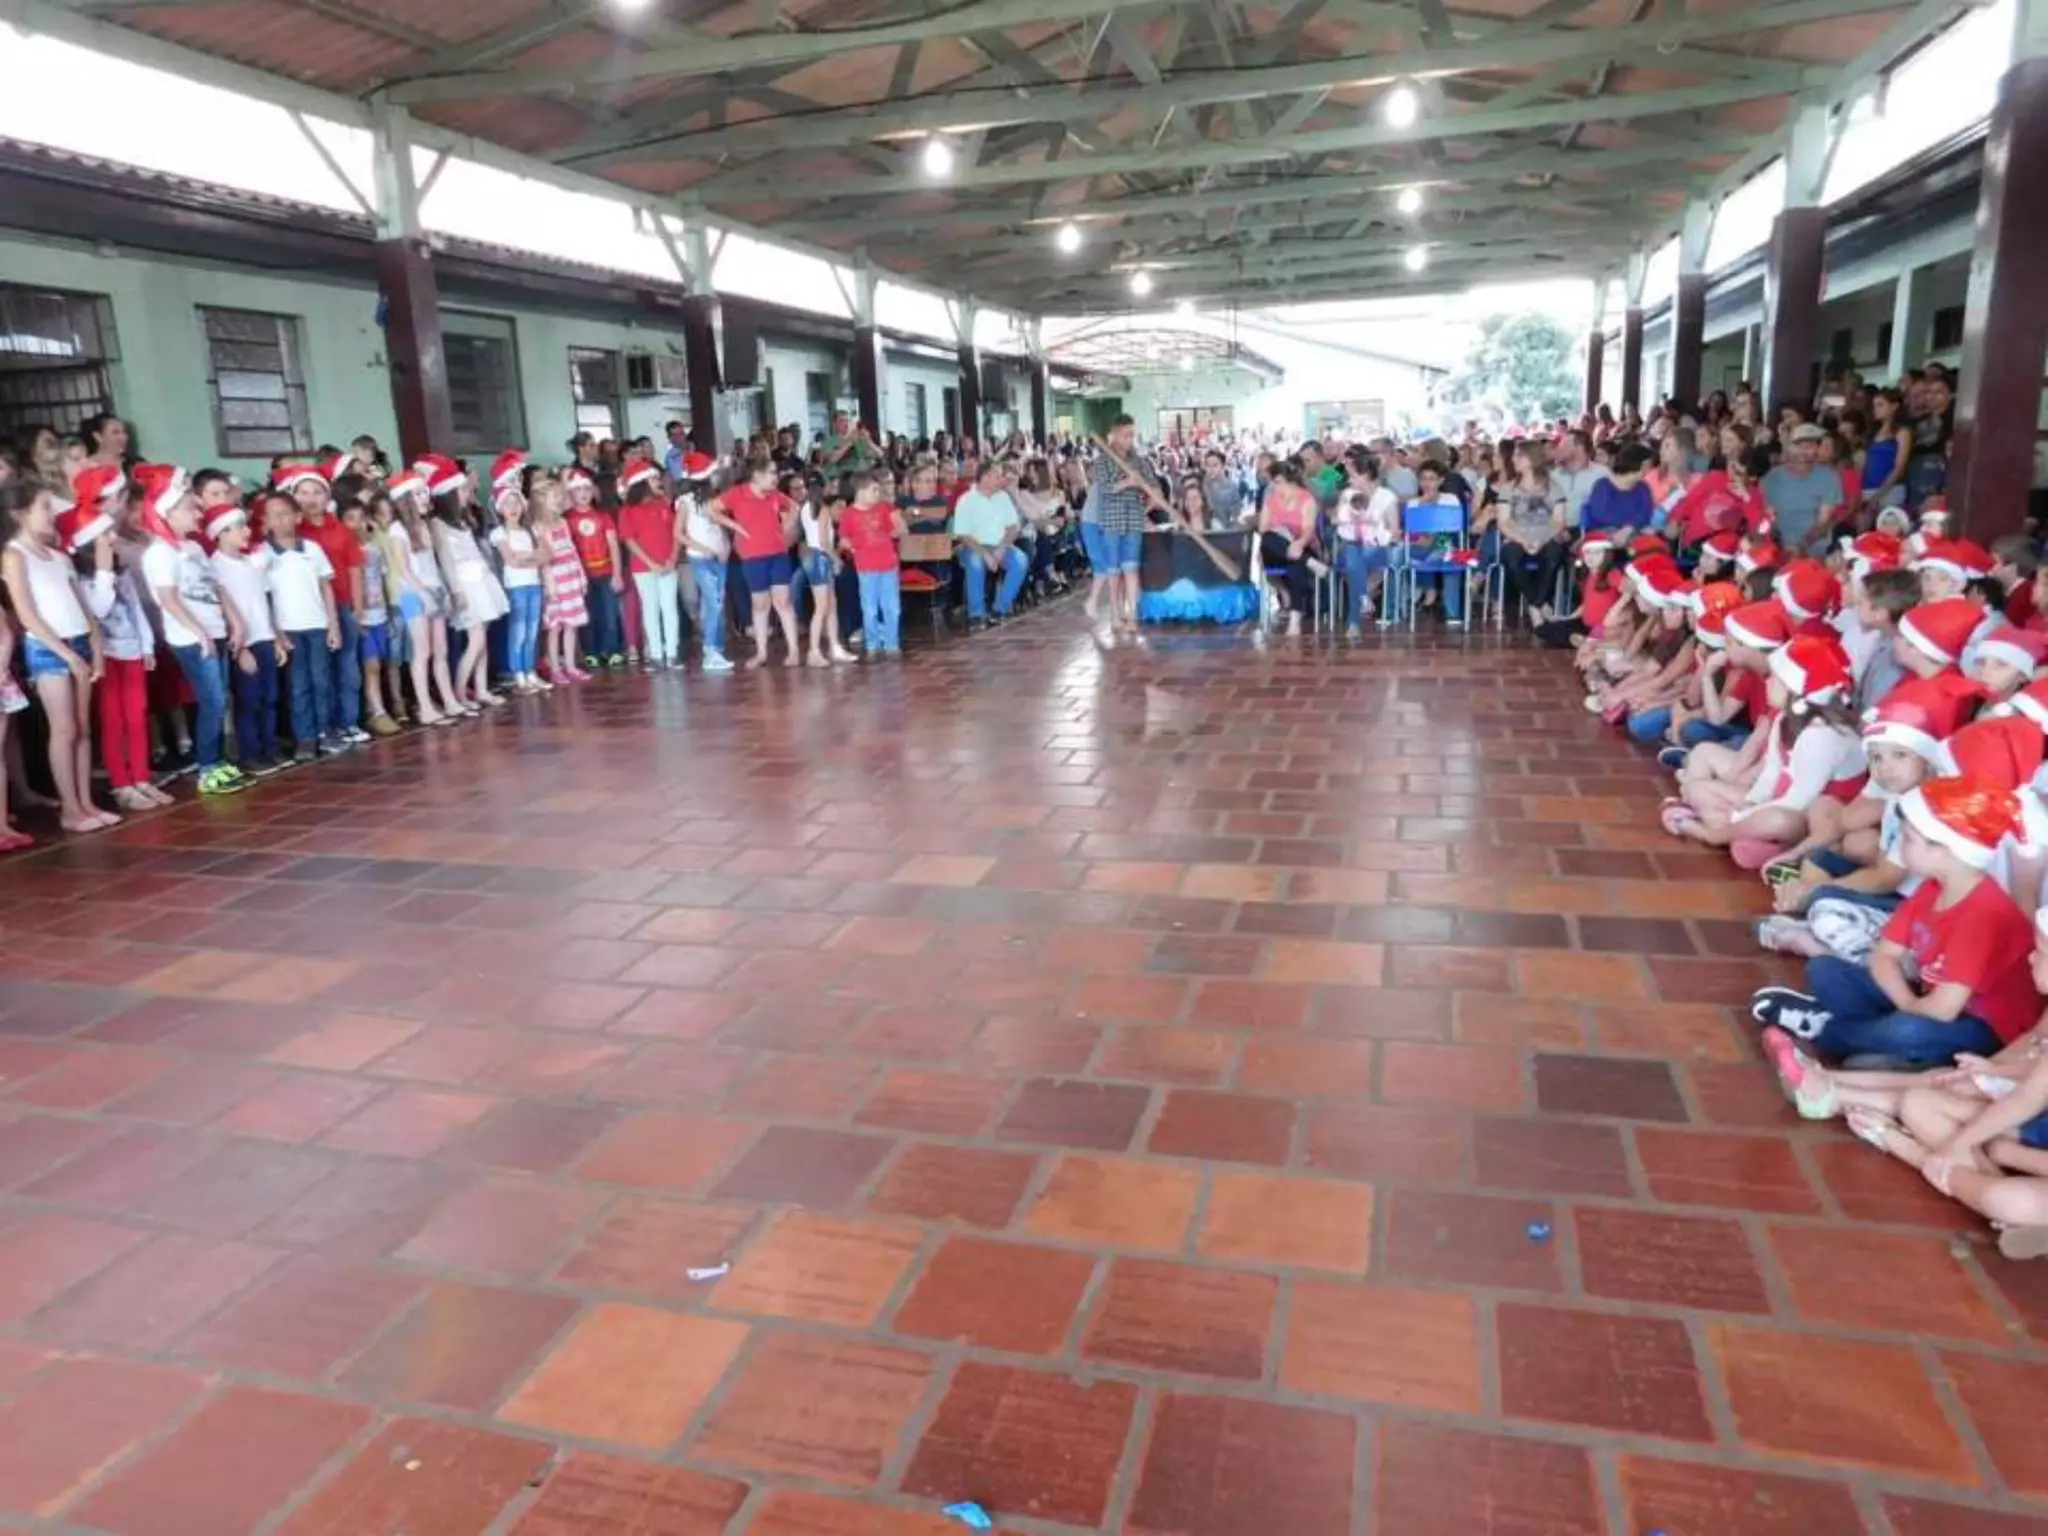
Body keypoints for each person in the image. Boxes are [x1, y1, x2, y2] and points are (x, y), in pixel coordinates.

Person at [1752, 776, 2035, 1069]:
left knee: (1908, 1030)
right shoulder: (1932, 888)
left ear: (1945, 850)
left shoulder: (1982, 915)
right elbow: (1884, 955)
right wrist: (1907, 1004)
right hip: (1922, 1003)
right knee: (1825, 970)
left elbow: (1944, 1010)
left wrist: (1908, 1011)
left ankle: (1828, 1031)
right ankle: (1881, 1046)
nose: (1900, 844)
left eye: (1909, 839)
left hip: (1983, 1029)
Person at [3, 478, 119, 829]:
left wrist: (95, 647)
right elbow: (27, 614)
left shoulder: (59, 556)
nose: (52, 513)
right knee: (64, 729)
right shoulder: (14, 555)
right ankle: (70, 809)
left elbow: (82, 606)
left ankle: (86, 803)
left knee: (83, 729)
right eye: (44, 506)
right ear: (20, 513)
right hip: (48, 649)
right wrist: (65, 654)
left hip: (79, 641)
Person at [135, 464, 247, 797]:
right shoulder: (159, 553)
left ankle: (218, 761)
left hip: (214, 631)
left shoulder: (194, 548)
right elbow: (168, 599)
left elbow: (215, 588)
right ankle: (207, 766)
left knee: (220, 698)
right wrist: (199, 632)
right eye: (188, 508)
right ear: (166, 513)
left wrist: (234, 621)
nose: (197, 513)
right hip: (191, 638)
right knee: (212, 700)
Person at [206, 502, 285, 776]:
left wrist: (276, 637)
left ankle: (270, 747)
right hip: (244, 644)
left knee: (270, 698)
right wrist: (239, 649)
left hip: (264, 638)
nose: (246, 531)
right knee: (249, 701)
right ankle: (250, 753)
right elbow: (222, 610)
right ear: (221, 533)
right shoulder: (216, 568)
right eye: (239, 527)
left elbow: (263, 601)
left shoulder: (250, 563)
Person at [425, 456, 507, 709]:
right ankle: (460, 693)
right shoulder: (438, 524)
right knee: (476, 639)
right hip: (465, 585)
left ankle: (481, 689)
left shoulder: (463, 520)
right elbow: (446, 560)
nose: (465, 494)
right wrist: (456, 590)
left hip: (481, 581)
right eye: (460, 490)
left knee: (482, 640)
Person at [707, 454, 803, 669]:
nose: (776, 477)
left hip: (778, 553)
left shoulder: (774, 494)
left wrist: (785, 527)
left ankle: (794, 651)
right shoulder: (737, 493)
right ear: (757, 475)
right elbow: (711, 509)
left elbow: (794, 508)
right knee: (760, 604)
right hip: (752, 557)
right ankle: (761, 653)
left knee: (783, 602)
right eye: (772, 473)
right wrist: (736, 527)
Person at [384, 469, 463, 727]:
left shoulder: (426, 525)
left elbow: (433, 563)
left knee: (441, 650)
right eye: (417, 494)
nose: (424, 498)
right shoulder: (397, 530)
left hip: (434, 588)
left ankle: (449, 700)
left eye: (424, 492)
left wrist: (445, 591)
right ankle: (425, 706)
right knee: (422, 651)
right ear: (404, 499)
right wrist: (423, 593)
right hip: (413, 594)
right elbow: (403, 568)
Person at [1088, 416, 1163, 641]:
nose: (1129, 440)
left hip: (1133, 520)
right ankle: (1114, 612)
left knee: (1131, 568)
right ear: (1114, 434)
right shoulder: (1103, 460)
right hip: (1111, 521)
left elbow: (1153, 486)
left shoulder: (1138, 461)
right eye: (1125, 435)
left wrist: (1149, 499)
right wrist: (1128, 482)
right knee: (1113, 571)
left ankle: (1132, 614)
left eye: (1132, 435)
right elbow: (1106, 488)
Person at [487, 463, 547, 696]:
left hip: (534, 584)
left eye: (516, 503)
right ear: (500, 508)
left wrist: (526, 557)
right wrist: (531, 557)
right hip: (516, 587)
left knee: (532, 631)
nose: (513, 508)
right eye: (507, 504)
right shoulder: (500, 533)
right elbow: (511, 560)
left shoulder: (527, 531)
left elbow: (544, 555)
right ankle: (518, 673)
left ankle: (530, 671)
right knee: (518, 632)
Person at [951, 459, 1030, 630]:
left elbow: (1013, 528)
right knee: (975, 562)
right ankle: (976, 614)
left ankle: (999, 609)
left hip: (999, 544)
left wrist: (1002, 548)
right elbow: (963, 535)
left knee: (1021, 560)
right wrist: (985, 554)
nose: (1001, 479)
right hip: (974, 547)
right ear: (985, 477)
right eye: (997, 476)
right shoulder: (966, 500)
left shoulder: (1003, 497)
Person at [840, 469, 907, 659]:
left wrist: (893, 527)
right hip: (866, 569)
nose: (879, 493)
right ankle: (872, 644)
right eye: (874, 490)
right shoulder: (849, 514)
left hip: (888, 566)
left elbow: (899, 529)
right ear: (861, 491)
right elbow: (844, 540)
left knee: (891, 606)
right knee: (869, 608)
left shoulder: (884, 508)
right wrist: (855, 545)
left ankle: (892, 643)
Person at [562, 467, 624, 669]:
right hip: (580, 576)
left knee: (609, 613)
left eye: (586, 489)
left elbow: (613, 545)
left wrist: (617, 574)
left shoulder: (603, 516)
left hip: (605, 572)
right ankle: (591, 651)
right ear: (571, 494)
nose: (583, 494)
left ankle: (612, 650)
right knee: (587, 614)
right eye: (578, 490)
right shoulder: (566, 518)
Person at [533, 478, 590, 684]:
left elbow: (572, 550)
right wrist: (550, 584)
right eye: (555, 496)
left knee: (571, 624)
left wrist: (581, 576)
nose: (559, 500)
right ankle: (555, 668)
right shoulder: (538, 526)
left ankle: (571, 666)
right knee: (555, 626)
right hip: (555, 580)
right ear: (542, 500)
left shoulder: (563, 523)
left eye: (559, 496)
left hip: (571, 575)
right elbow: (544, 559)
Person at [1762, 424, 1845, 553]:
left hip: (1815, 549)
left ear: (1816, 449)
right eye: (1798, 445)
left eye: (1810, 446)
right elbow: (1767, 517)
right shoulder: (1773, 477)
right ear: (1788, 448)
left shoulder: (1829, 478)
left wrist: (1801, 547)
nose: (1804, 452)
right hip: (1777, 547)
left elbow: (1823, 522)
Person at [799, 481, 856, 666]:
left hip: (815, 558)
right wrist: (836, 559)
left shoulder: (806, 508)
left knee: (831, 606)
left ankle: (834, 646)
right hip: (821, 559)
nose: (841, 511)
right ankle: (814, 651)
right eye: (839, 506)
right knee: (822, 607)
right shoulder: (823, 511)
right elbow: (823, 543)